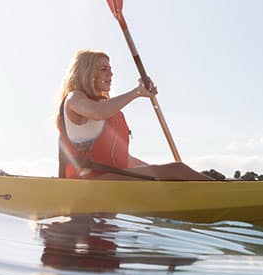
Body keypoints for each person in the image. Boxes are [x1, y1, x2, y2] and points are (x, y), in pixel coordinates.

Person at [56, 49, 211, 181]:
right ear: (87, 72)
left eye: (110, 69)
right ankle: (221, 191)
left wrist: (157, 172)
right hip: (91, 181)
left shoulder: (105, 105)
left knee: (175, 174)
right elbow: (98, 113)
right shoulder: (74, 98)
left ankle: (218, 184)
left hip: (112, 178)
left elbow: (125, 160)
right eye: (103, 69)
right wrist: (137, 92)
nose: (111, 73)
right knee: (178, 169)